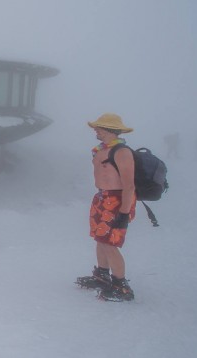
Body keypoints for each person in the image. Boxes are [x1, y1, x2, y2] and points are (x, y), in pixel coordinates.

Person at [76, 114, 136, 301]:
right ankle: (102, 275)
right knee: (100, 239)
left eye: (99, 127)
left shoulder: (121, 152)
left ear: (110, 130)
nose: (96, 130)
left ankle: (121, 286)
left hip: (117, 200)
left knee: (110, 243)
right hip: (102, 198)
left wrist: (124, 212)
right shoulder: (101, 150)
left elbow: (129, 186)